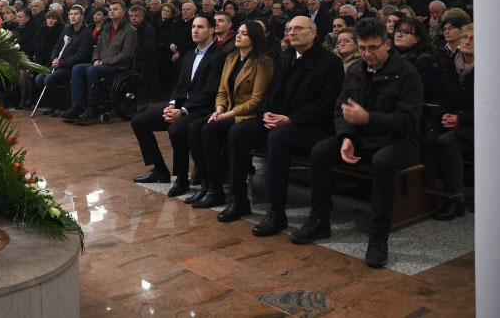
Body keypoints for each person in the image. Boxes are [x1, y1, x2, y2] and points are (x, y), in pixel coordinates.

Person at [291, 18, 422, 269]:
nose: (367, 54)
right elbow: (341, 109)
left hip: (398, 141)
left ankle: (378, 236)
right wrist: (346, 137)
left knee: (383, 162)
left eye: (373, 48)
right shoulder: (355, 70)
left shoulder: (406, 74)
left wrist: (368, 118)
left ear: (387, 44)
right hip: (362, 137)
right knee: (320, 151)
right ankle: (319, 220)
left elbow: (408, 121)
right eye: (362, 48)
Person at [223, 16, 343, 234]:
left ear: (313, 33)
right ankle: (239, 199)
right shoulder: (286, 57)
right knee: (240, 131)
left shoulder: (330, 62)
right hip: (279, 120)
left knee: (278, 138)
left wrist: (290, 119)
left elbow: (326, 104)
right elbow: (271, 91)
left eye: (298, 29)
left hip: (310, 126)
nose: (292, 33)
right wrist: (266, 112)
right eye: (289, 29)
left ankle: (276, 211)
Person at [131, 13, 226, 194]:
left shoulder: (218, 56)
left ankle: (181, 179)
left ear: (211, 31)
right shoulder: (189, 55)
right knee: (139, 122)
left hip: (202, 109)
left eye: (201, 27)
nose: (195, 30)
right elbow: (180, 84)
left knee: (176, 130)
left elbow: (210, 92)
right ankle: (160, 170)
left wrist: (182, 110)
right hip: (181, 105)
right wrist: (172, 104)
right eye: (193, 27)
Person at [188, 21, 272, 210]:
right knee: (194, 128)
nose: (238, 36)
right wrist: (219, 109)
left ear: (254, 38)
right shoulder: (231, 58)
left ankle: (216, 190)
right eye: (238, 32)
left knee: (209, 130)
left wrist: (226, 115)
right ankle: (207, 184)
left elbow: (255, 101)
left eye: (244, 33)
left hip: (247, 115)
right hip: (227, 111)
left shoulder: (263, 62)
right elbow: (222, 91)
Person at [423, 24, 473, 220]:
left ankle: (455, 199)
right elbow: (437, 96)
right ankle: (426, 195)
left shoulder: (488, 70)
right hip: (450, 120)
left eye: (472, 39)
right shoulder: (449, 65)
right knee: (428, 140)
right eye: (465, 37)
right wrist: (442, 114)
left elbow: (489, 105)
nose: (467, 41)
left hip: (475, 125)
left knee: (447, 141)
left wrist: (461, 119)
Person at [62, 0, 137, 123]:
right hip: (101, 64)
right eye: (110, 9)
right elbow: (97, 47)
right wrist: (96, 59)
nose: (112, 12)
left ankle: (93, 107)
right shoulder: (106, 28)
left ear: (123, 12)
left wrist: (104, 62)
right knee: (77, 68)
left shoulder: (129, 30)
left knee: (92, 70)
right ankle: (76, 105)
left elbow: (126, 55)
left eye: (115, 9)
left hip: (118, 67)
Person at [36, 5, 93, 116]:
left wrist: (61, 62)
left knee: (49, 79)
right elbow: (57, 46)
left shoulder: (86, 33)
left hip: (71, 66)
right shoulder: (67, 30)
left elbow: (80, 55)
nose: (73, 16)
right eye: (71, 14)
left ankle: (61, 105)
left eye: (76, 14)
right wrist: (54, 59)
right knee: (39, 79)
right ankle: (52, 104)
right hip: (58, 63)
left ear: (82, 16)